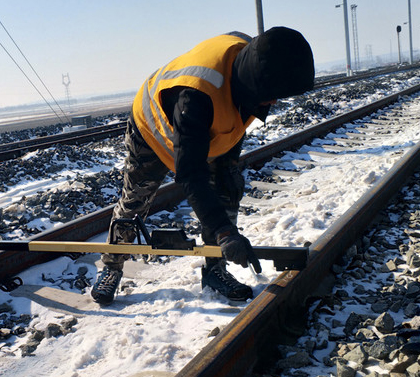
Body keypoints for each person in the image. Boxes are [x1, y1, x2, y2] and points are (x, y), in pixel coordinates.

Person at [91, 27, 315, 305]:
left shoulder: (250, 63)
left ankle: (215, 268)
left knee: (228, 185)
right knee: (136, 198)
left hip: (211, 127)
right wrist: (225, 231)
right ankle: (112, 266)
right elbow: (190, 173)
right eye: (271, 95)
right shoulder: (196, 94)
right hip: (152, 129)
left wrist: (226, 233)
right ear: (254, 82)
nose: (273, 102)